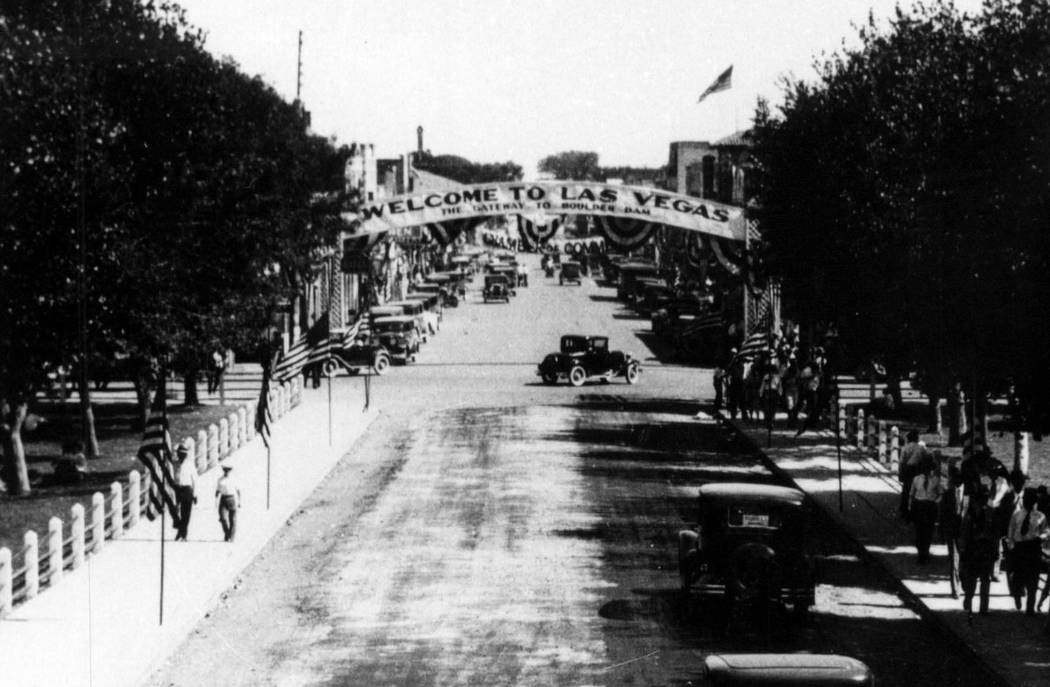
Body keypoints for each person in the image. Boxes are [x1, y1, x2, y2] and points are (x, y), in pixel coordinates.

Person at [958, 486, 999, 620]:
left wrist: (995, 550)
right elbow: (963, 534)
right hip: (973, 549)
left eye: (986, 496)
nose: (984, 499)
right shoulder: (970, 514)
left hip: (986, 550)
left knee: (985, 580)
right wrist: (963, 550)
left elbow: (995, 535)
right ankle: (969, 599)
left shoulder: (991, 514)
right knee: (971, 579)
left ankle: (983, 608)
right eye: (982, 496)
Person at [1006, 487, 1048, 614]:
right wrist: (1011, 547)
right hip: (1020, 549)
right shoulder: (1017, 515)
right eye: (1024, 499)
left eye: (1029, 499)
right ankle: (1017, 596)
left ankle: (1030, 608)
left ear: (1034, 500)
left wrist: (1041, 537)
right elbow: (1011, 532)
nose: (1026, 501)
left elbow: (1046, 531)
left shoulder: (1040, 516)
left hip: (1033, 548)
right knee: (1018, 577)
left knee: (1033, 580)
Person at [909, 456, 943, 564]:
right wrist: (911, 507)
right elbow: (912, 494)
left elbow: (941, 493)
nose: (927, 470)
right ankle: (920, 552)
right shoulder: (917, 479)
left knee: (928, 531)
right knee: (919, 531)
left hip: (929, 506)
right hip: (919, 505)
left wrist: (935, 502)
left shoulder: (935, 480)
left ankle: (926, 552)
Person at [940, 462, 965, 597]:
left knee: (964, 561)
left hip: (965, 532)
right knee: (954, 560)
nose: (956, 482)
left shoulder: (968, 494)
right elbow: (942, 514)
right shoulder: (948, 494)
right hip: (952, 531)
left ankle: (964, 584)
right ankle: (955, 589)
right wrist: (942, 533)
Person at [899, 430, 928, 518]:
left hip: (907, 471)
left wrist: (900, 473)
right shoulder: (921, 448)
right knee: (916, 490)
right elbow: (925, 460)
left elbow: (901, 462)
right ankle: (915, 510)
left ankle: (904, 510)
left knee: (906, 490)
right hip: (917, 471)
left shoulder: (905, 448)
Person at [173, 443, 198, 541]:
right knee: (175, 511)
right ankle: (180, 529)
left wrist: (195, 495)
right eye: (179, 454)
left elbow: (195, 480)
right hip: (177, 489)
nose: (180, 456)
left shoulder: (190, 465)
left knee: (186, 513)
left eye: (182, 454)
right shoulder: (175, 464)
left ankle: (183, 534)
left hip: (187, 489)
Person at [215, 464, 241, 542]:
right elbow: (217, 491)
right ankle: (227, 533)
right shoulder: (220, 480)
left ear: (230, 471)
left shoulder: (234, 479)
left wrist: (240, 501)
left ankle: (231, 537)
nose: (227, 472)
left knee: (232, 519)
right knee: (222, 518)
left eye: (228, 470)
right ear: (224, 471)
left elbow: (238, 491)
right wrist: (215, 501)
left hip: (232, 499)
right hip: (223, 499)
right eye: (225, 470)